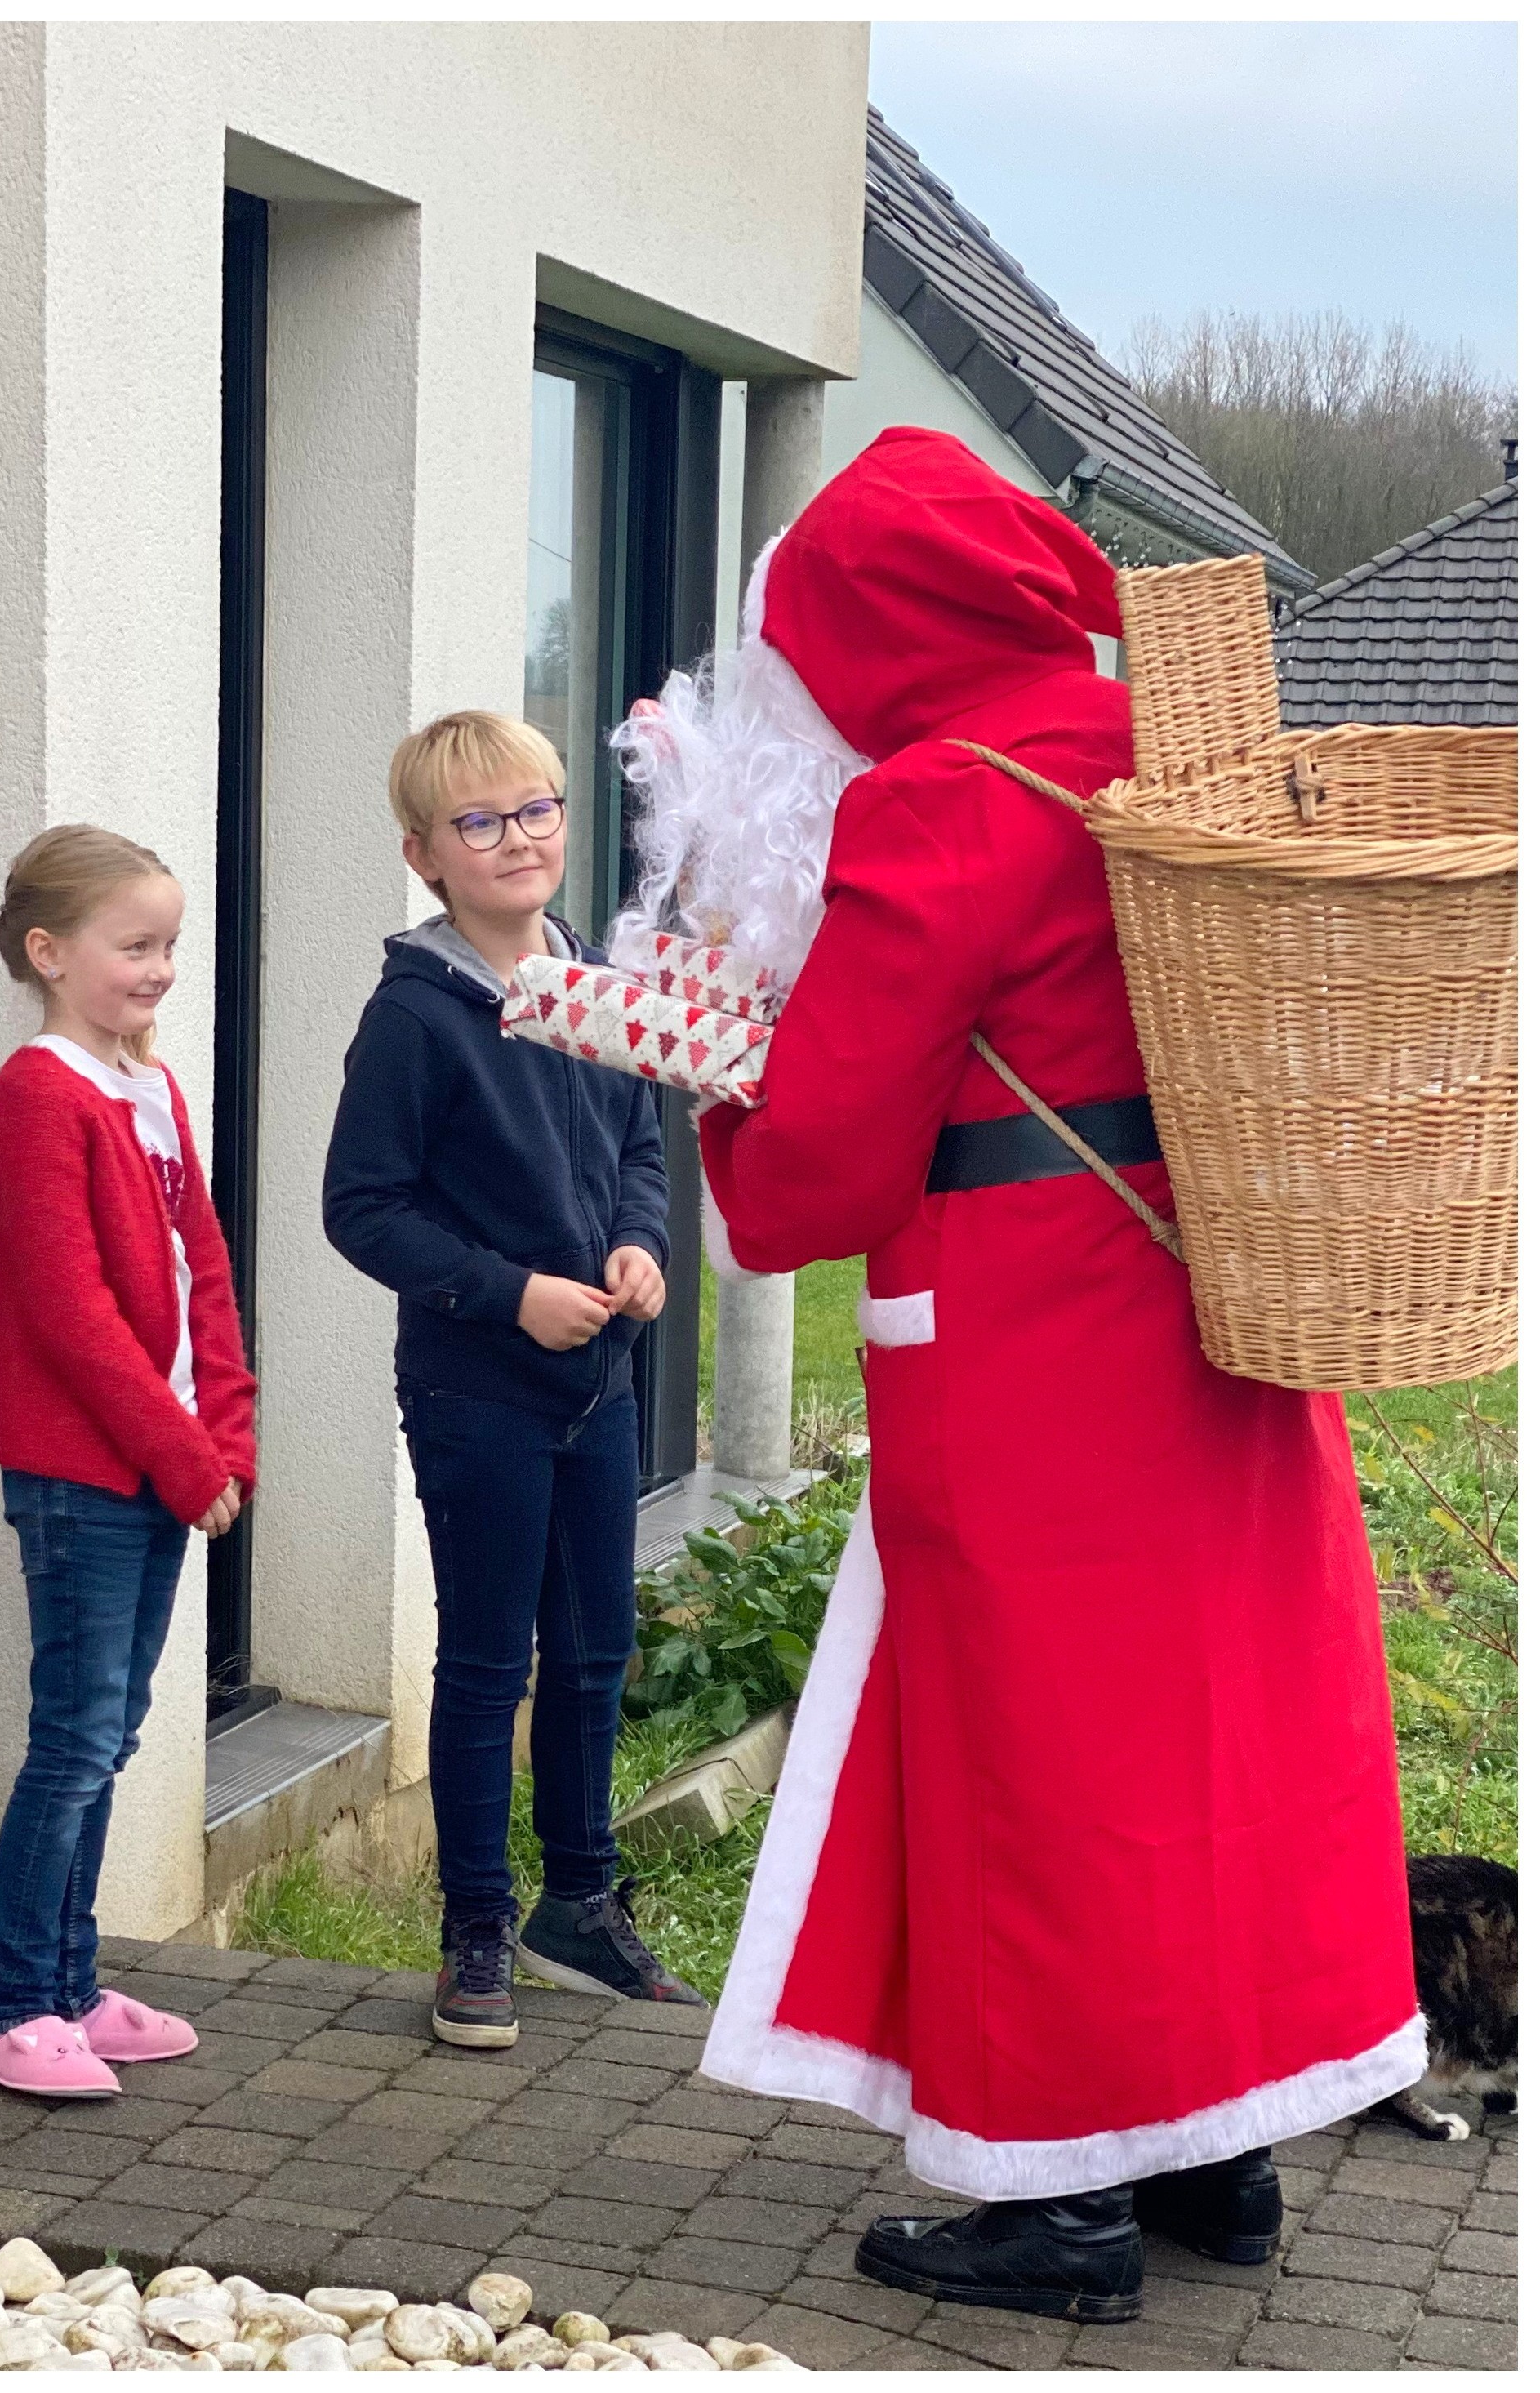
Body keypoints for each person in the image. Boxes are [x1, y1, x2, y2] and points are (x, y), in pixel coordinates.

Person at [643, 427, 1418, 2321]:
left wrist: (711, 1086)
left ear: (865, 632)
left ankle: (1050, 2197)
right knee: (1218, 1738)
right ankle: (1212, 2150)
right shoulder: (1163, 738)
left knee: (1041, 1769)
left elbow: (819, 1158)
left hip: (1031, 1348)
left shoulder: (939, 794)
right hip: (1219, 1308)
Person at [323, 711, 702, 2051]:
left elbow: (641, 1147)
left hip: (603, 1380)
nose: (518, 839)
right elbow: (361, 1208)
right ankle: (476, 1922)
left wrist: (640, 1247)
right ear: (427, 855)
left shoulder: (598, 982)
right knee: (488, 1659)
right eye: (480, 823)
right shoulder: (415, 1016)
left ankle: (582, 1903)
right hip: (479, 1387)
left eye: (536, 809)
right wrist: (508, 1294)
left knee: (594, 1647)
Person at [0, 823, 257, 2100]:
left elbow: (209, 1272)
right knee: (74, 1736)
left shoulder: (153, 1089)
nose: (161, 968)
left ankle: (75, 1986)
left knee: (115, 1728)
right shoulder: (40, 1092)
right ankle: (16, 2005)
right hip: (89, 1471)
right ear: (49, 951)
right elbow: (71, 1311)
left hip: (164, 1461)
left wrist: (227, 1433)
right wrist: (182, 1457)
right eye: (134, 945)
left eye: (170, 945)